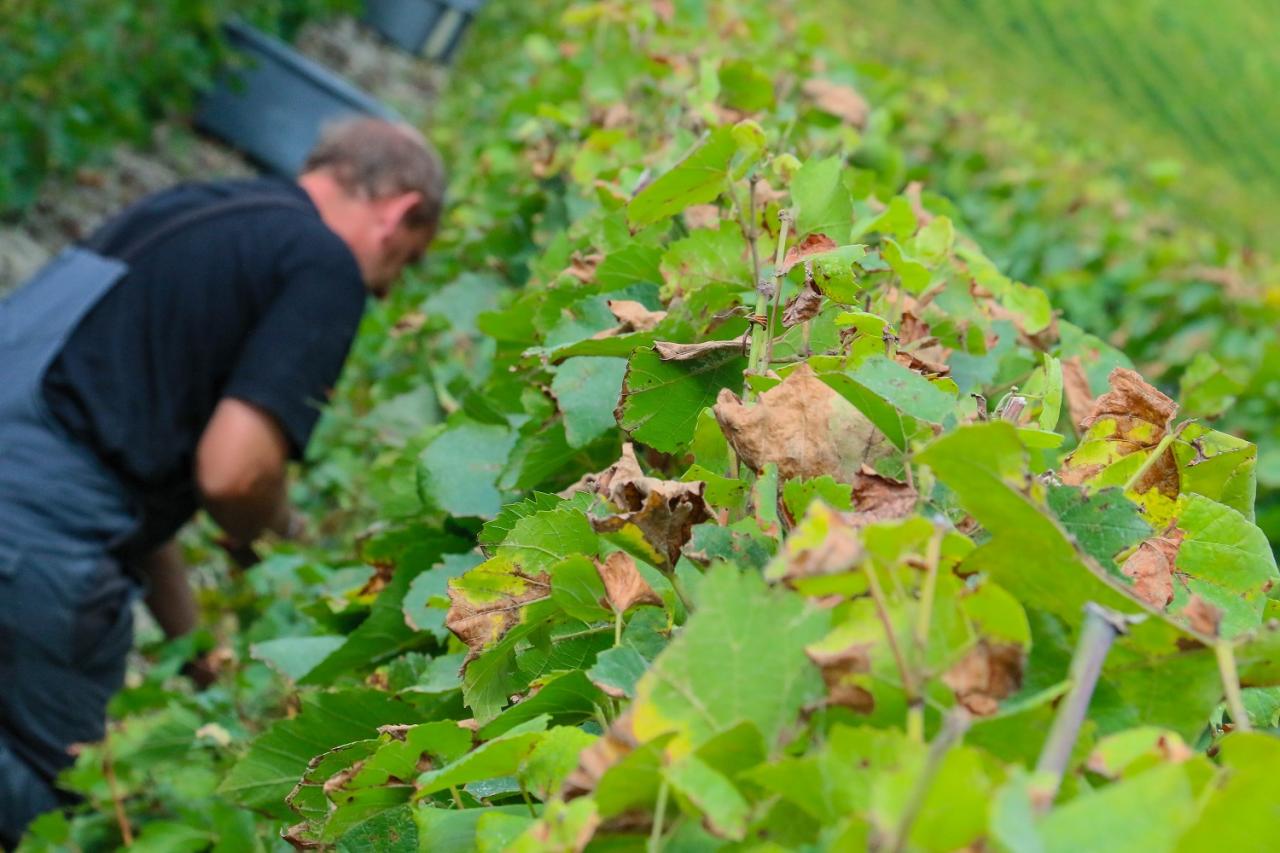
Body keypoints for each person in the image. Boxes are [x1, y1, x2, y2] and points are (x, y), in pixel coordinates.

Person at [0, 117, 445, 843]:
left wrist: (204, 658)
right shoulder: (322, 262)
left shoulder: (192, 210)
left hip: (30, 502)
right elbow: (235, 474)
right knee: (59, 811)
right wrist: (283, 539)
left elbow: (120, 479)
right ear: (399, 212)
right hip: (35, 548)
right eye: (408, 261)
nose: (390, 288)